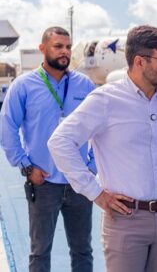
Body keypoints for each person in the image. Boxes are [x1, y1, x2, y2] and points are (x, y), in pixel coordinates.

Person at [47, 25, 157, 272]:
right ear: (139, 62)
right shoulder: (105, 100)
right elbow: (60, 142)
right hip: (125, 221)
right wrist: (96, 193)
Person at [0, 26, 96, 272]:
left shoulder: (84, 85)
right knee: (40, 252)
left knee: (83, 251)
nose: (64, 52)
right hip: (43, 183)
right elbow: (7, 128)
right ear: (43, 48)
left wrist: (92, 167)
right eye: (58, 46)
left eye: (67, 47)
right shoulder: (24, 86)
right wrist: (26, 166)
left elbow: (102, 129)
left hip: (79, 184)